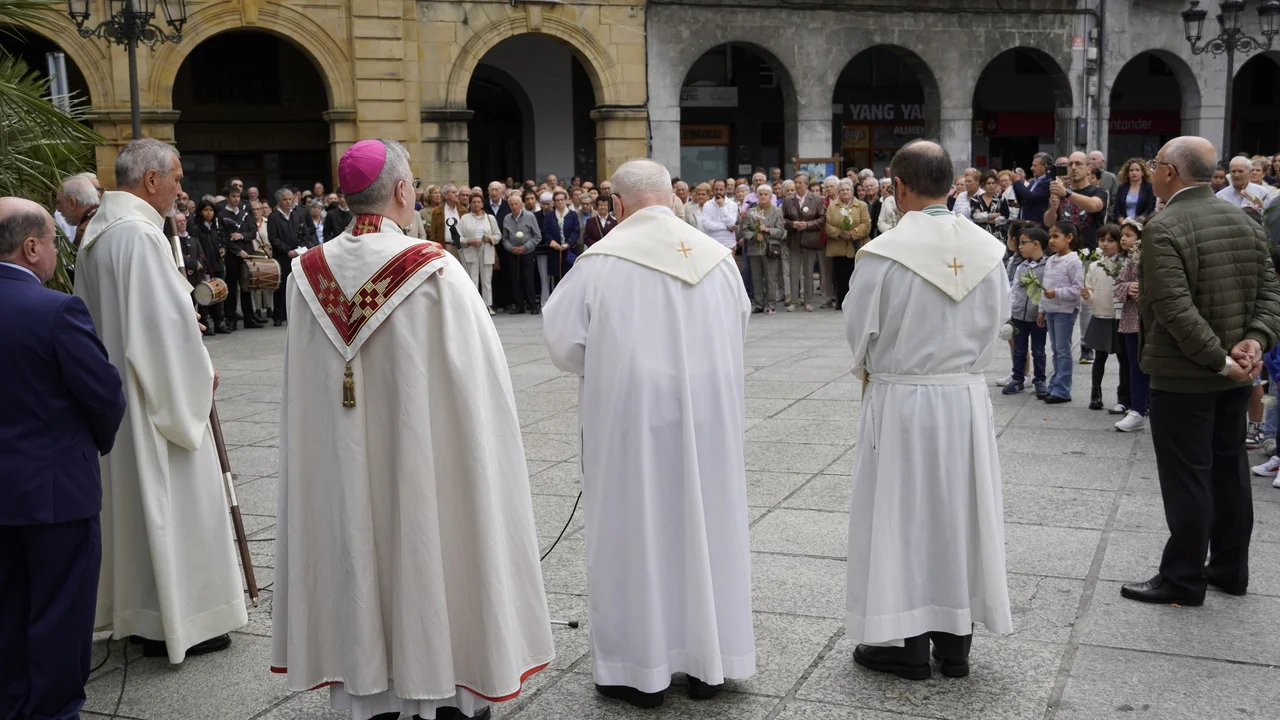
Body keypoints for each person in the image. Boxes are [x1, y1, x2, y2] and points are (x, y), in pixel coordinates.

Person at [271, 140, 553, 720]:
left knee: (355, 537)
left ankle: (367, 690)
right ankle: (442, 691)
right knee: (429, 539)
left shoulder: (307, 273)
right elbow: (480, 383)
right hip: (424, 457)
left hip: (341, 458)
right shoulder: (435, 270)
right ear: (402, 191)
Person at [543, 159, 755, 709]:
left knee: (634, 529)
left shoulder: (600, 262)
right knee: (706, 526)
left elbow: (564, 345)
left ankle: (637, 671)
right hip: (707, 421)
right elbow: (738, 327)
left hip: (631, 423)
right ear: (672, 198)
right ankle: (709, 664)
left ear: (616, 204)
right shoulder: (717, 259)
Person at [842, 139, 1012, 680]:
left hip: (903, 401)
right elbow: (1000, 320)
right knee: (959, 514)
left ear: (898, 186)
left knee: (904, 515)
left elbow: (858, 332)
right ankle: (956, 643)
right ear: (951, 184)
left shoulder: (884, 253)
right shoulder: (988, 251)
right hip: (965, 399)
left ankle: (907, 643)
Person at [75, 137, 249, 662]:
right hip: (156, 402)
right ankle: (187, 620)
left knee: (137, 508)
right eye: (176, 178)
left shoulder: (99, 234)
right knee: (176, 504)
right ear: (151, 180)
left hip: (122, 400)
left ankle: (145, 616)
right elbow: (161, 337)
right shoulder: (139, 236)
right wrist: (200, 370)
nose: (180, 189)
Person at [1119, 136, 1280, 606]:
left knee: (1188, 476)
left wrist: (1222, 360)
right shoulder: (1245, 218)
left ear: (1169, 171)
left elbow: (1173, 308)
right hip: (1234, 371)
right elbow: (1270, 293)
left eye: (1155, 164)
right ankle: (1229, 568)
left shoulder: (1164, 226)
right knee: (1229, 469)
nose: (1151, 171)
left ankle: (1183, 577)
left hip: (1186, 375)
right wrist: (1253, 343)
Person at [0, 197, 126, 720]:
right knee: (60, 612)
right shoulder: (56, 310)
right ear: (31, 247)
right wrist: (87, 447)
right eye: (54, 241)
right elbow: (105, 396)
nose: (57, 250)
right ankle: (52, 712)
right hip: (56, 492)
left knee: (8, 611)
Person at [1082, 225, 1129, 410]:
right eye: (1102, 240)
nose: (1105, 244)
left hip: (1120, 317)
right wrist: (1087, 296)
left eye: (1111, 240)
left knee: (1124, 359)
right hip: (1100, 315)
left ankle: (1124, 397)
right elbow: (1090, 290)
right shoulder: (1094, 266)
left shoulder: (1126, 264)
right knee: (1099, 357)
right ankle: (1095, 393)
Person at [1039, 222, 1084, 403]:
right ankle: (1055, 385)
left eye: (1056, 236)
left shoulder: (1074, 261)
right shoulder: (1051, 260)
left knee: (1063, 350)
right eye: (1050, 236)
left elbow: (1078, 289)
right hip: (1050, 310)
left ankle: (1062, 390)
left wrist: (1056, 293)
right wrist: (1041, 309)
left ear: (1069, 238)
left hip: (1065, 311)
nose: (1051, 241)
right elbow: (1044, 287)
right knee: (1056, 350)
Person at [1113, 219, 1151, 430]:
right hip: (1132, 321)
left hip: (1154, 321)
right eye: (1122, 235)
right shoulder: (1131, 261)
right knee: (1135, 366)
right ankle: (1137, 409)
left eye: (1129, 235)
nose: (1123, 239)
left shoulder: (1156, 257)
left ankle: (1149, 405)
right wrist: (1129, 288)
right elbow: (1118, 285)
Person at [1004, 226, 1049, 397]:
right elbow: (1015, 289)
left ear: (1036, 244)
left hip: (1038, 316)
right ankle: (1018, 378)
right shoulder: (1021, 266)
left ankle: (1040, 380)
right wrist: (1010, 311)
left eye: (1023, 243)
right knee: (1019, 349)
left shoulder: (1048, 266)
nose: (1020, 247)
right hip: (1018, 316)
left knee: (1038, 349)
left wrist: (1043, 311)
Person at [218, 186, 262, 329]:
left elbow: (253, 232)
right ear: (227, 198)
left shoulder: (245, 213)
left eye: (238, 196)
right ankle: (231, 319)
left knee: (246, 287)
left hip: (246, 254)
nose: (236, 199)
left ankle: (249, 318)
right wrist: (238, 251)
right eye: (233, 196)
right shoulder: (222, 215)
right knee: (231, 288)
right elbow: (224, 238)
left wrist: (242, 236)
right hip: (232, 256)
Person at [739, 183, 786, 314]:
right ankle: (758, 304)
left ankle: (771, 304)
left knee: (770, 277)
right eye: (761, 194)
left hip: (770, 248)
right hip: (754, 249)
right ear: (757, 196)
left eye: (766, 194)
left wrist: (768, 230)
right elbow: (745, 230)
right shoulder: (751, 212)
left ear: (770, 196)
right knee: (756, 277)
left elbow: (782, 231)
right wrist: (754, 235)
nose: (763, 196)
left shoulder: (777, 211)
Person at [268, 186, 312, 326]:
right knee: (281, 286)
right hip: (282, 256)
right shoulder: (273, 217)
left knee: (297, 285)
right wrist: (287, 251)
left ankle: (294, 315)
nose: (288, 202)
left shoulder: (297, 215)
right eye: (285, 199)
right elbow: (273, 238)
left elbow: (305, 233)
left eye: (290, 199)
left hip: (297, 255)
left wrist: (301, 248)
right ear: (279, 201)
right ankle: (279, 315)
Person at [824, 178, 870, 307]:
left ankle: (856, 303)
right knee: (840, 276)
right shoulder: (832, 207)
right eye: (842, 190)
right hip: (838, 247)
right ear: (838, 192)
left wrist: (852, 233)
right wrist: (839, 233)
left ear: (852, 191)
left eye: (847, 189)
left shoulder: (861, 205)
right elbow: (827, 226)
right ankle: (841, 301)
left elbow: (866, 224)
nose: (845, 192)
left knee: (856, 275)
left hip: (856, 246)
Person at [783, 173, 825, 311]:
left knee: (808, 271)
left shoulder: (816, 199)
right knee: (794, 271)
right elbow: (783, 219)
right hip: (794, 239)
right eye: (795, 182)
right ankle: (794, 301)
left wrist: (808, 225)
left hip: (810, 239)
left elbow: (822, 219)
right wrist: (792, 224)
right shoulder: (788, 200)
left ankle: (808, 301)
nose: (796, 185)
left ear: (806, 184)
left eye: (799, 182)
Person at [457, 192, 500, 314]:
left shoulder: (490, 218)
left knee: (486, 280)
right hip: (471, 251)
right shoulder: (465, 218)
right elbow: (458, 238)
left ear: (482, 203)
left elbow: (498, 235)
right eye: (474, 202)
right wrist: (470, 241)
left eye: (478, 202)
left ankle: (487, 305)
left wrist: (489, 238)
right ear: (470, 204)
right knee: (472, 280)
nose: (476, 204)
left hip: (486, 251)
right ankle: (474, 306)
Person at [502, 190, 541, 314]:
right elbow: (505, 238)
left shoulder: (530, 216)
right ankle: (519, 305)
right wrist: (511, 248)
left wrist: (525, 247)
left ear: (521, 204)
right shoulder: (507, 218)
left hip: (527, 252)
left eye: (516, 204)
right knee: (515, 279)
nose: (514, 207)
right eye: (511, 204)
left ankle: (533, 305)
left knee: (528, 279)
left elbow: (537, 236)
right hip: (513, 253)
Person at [57, 173, 101, 248]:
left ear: (72, 203)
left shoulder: (84, 232)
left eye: (59, 202)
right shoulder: (111, 216)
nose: (58, 209)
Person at [1013, 152, 1054, 228]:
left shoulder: (1048, 182)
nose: (1031, 168)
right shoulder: (1034, 181)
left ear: (1045, 166)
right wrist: (1015, 184)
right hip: (1025, 224)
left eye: (1035, 166)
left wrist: (1017, 182)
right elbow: (1023, 200)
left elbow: (1030, 197)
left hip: (1037, 226)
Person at [1112, 158, 1156, 224]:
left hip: (1143, 223)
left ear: (1142, 173)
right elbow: (1117, 208)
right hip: (1123, 223)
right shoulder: (1122, 187)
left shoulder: (1149, 187)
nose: (1134, 173)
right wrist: (1123, 222)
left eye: (1137, 170)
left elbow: (1151, 207)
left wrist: (1140, 220)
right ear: (1128, 173)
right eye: (1131, 170)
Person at [699, 179, 738, 250]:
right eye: (716, 189)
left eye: (721, 189)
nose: (718, 192)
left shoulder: (733, 204)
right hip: (712, 243)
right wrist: (725, 227)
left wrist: (722, 207)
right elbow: (706, 224)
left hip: (729, 244)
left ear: (725, 189)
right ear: (713, 190)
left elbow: (731, 223)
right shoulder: (707, 205)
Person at [1089, 150, 1120, 218]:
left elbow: (1116, 199)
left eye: (1094, 159)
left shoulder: (1110, 177)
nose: (1091, 162)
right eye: (1089, 159)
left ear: (1102, 162)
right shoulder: (1083, 175)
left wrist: (1107, 214)